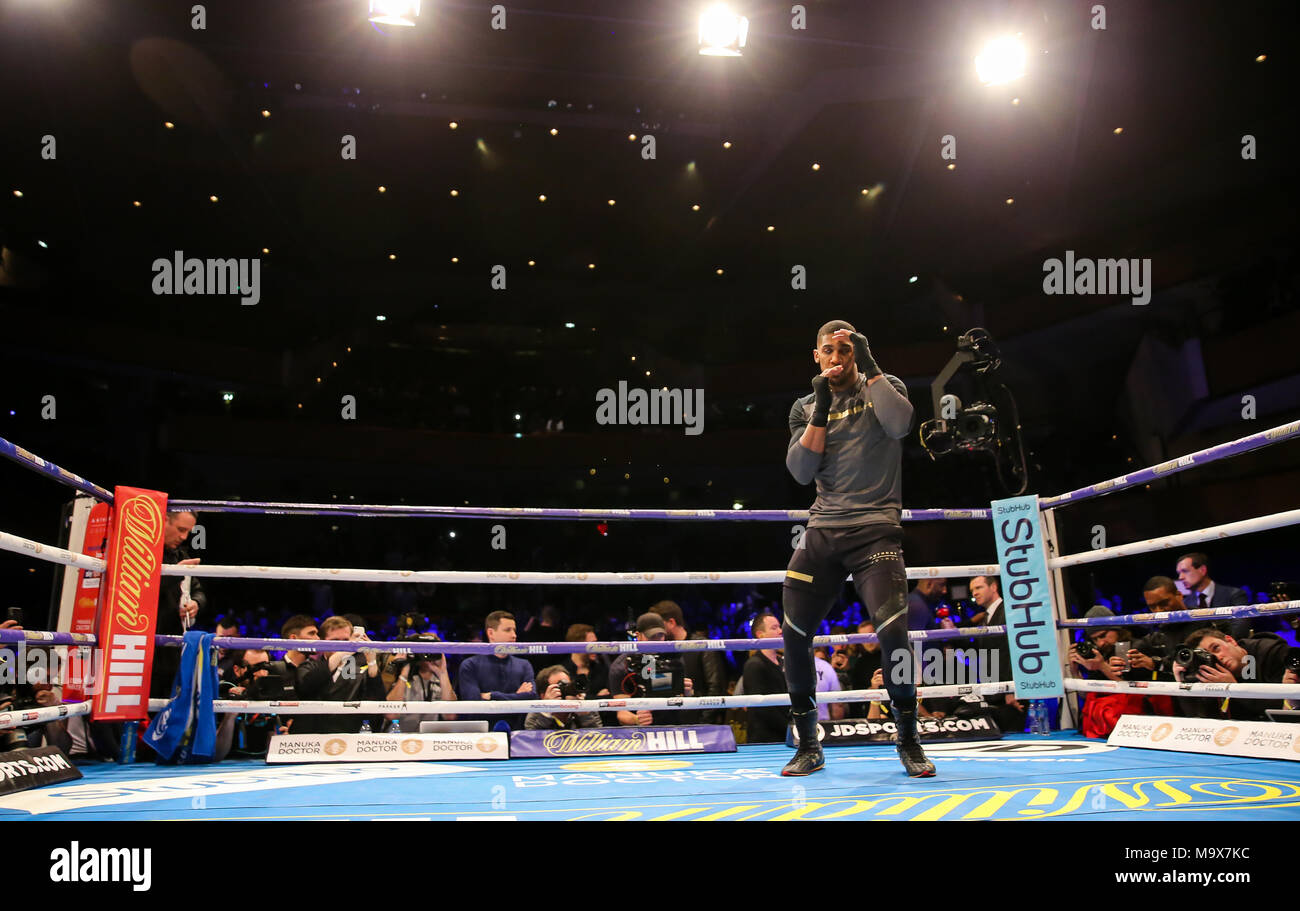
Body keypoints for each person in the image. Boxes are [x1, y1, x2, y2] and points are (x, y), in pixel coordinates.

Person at [780, 320, 934, 777]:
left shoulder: (884, 387)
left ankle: (908, 737)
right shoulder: (805, 405)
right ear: (816, 356)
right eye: (829, 349)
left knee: (893, 636)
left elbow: (901, 423)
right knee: (793, 631)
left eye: (846, 349)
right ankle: (809, 744)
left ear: (857, 352)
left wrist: (869, 365)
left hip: (875, 531)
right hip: (823, 530)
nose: (836, 357)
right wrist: (822, 408)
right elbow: (801, 472)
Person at [1173, 627, 1291, 721]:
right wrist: (1183, 686)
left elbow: (1284, 707)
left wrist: (1234, 689)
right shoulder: (1211, 673)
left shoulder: (1272, 652)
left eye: (1216, 648)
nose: (1218, 657)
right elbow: (1201, 723)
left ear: (1231, 640)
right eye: (1210, 657)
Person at [150, 510, 209, 697]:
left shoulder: (179, 554)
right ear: (164, 520)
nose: (184, 537)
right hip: (146, 644)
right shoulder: (143, 552)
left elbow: (198, 590)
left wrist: (195, 603)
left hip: (173, 646)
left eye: (188, 532)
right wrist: (174, 574)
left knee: (168, 705)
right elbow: (138, 588)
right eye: (181, 529)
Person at [294, 616, 388, 734]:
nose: (340, 645)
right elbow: (306, 688)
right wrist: (345, 650)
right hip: (312, 738)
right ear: (323, 642)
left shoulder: (357, 671)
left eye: (345, 641)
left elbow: (376, 704)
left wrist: (372, 662)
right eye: (335, 641)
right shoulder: (309, 666)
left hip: (346, 738)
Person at [608, 612, 695, 727]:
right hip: (639, 733)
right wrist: (637, 719)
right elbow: (621, 712)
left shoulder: (673, 658)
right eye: (652, 636)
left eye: (660, 636)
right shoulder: (622, 666)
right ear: (638, 636)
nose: (657, 641)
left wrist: (688, 693)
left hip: (672, 727)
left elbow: (682, 701)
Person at [456, 611, 536, 730]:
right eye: (508, 630)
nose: (514, 635)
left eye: (514, 630)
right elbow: (473, 704)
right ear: (491, 633)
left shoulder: (524, 665)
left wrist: (492, 696)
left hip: (517, 735)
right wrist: (517, 697)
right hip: (482, 736)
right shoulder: (470, 665)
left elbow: (531, 698)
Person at [652, 600, 727, 725]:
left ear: (671, 622)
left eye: (660, 626)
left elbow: (716, 689)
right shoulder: (661, 650)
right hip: (670, 726)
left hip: (698, 725)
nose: (657, 632)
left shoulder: (701, 646)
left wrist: (702, 724)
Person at [1174, 553, 1252, 639]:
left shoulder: (1234, 595)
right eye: (1179, 573)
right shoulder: (1186, 602)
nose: (1180, 577)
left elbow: (1240, 631)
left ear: (1202, 570)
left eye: (1185, 571)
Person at [742, 613, 789, 744]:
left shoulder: (782, 662)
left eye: (779, 627)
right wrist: (789, 728)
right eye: (774, 628)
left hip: (785, 736)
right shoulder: (754, 665)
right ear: (760, 634)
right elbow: (761, 707)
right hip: (764, 739)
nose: (780, 631)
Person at [524, 666, 602, 730]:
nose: (566, 689)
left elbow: (599, 739)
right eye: (560, 686)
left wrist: (584, 714)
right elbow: (533, 742)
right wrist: (546, 712)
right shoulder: (535, 713)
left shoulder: (588, 708)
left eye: (567, 684)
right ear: (543, 695)